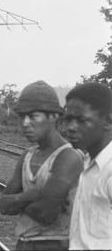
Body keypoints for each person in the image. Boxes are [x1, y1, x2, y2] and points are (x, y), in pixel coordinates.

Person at [0, 81, 83, 251]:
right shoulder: (27, 156)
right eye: (22, 117)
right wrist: (31, 195)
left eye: (33, 116)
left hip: (55, 244)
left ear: (53, 117)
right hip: (24, 244)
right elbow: (2, 205)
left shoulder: (68, 157)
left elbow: (46, 213)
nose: (25, 123)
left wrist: (18, 200)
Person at [60, 82, 112, 250]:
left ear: (108, 121)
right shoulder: (88, 162)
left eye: (81, 120)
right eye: (68, 119)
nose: (71, 128)